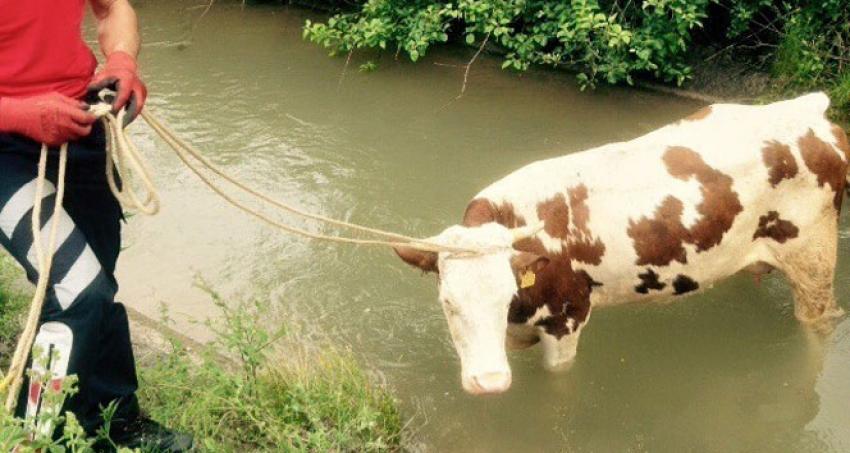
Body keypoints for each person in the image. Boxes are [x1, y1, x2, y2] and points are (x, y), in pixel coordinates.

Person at [0, 0, 192, 449]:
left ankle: (112, 420)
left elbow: (111, 9)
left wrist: (122, 61)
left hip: (76, 123)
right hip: (4, 149)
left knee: (97, 281)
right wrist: (17, 113)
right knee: (77, 289)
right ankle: (36, 436)